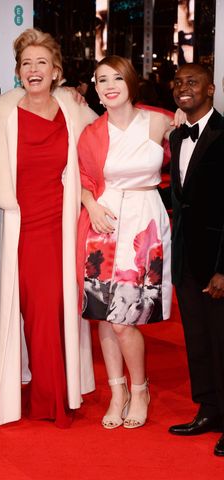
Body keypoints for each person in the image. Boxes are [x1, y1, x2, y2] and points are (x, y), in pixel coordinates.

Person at [0, 28, 96, 428]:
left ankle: (57, 391)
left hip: (63, 225)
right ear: (18, 71)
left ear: (56, 71)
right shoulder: (3, 108)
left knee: (59, 308)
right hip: (24, 226)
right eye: (26, 63)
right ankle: (49, 397)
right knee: (38, 311)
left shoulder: (72, 106)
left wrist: (164, 123)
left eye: (42, 63)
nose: (34, 70)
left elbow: (106, 138)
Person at [77, 55, 175, 430]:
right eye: (102, 80)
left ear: (131, 82)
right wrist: (90, 205)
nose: (110, 85)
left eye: (118, 77)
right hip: (103, 223)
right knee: (104, 315)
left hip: (144, 224)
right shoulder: (91, 132)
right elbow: (83, 179)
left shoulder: (160, 121)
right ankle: (116, 392)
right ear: (97, 89)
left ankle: (140, 389)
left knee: (124, 319)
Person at [165, 63, 224, 457]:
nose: (184, 88)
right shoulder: (175, 137)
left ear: (211, 89)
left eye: (193, 82)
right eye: (179, 82)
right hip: (186, 256)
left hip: (217, 262)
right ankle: (208, 409)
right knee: (198, 340)